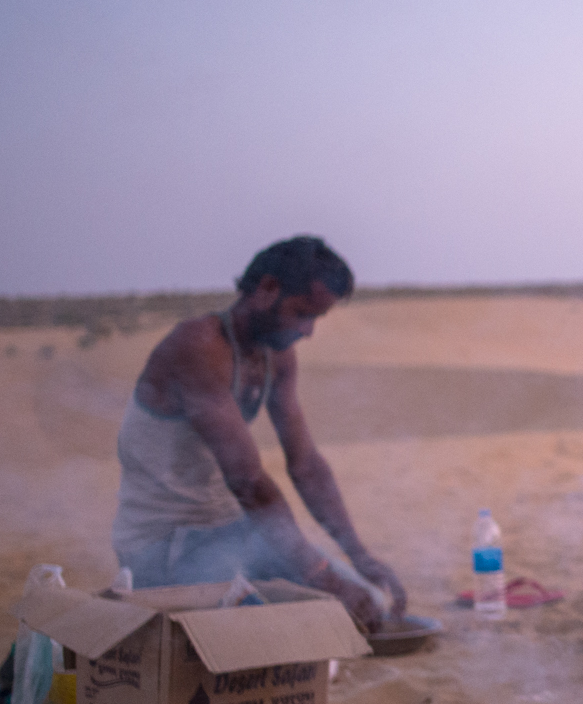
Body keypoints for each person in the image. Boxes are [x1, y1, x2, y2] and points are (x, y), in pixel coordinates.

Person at [110, 236, 406, 631]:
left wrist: (359, 556)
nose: (308, 330)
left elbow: (306, 466)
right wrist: (320, 574)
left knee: (362, 610)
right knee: (270, 627)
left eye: (316, 318)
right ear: (267, 289)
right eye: (302, 313)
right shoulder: (198, 347)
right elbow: (248, 481)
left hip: (235, 531)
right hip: (165, 543)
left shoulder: (277, 355)